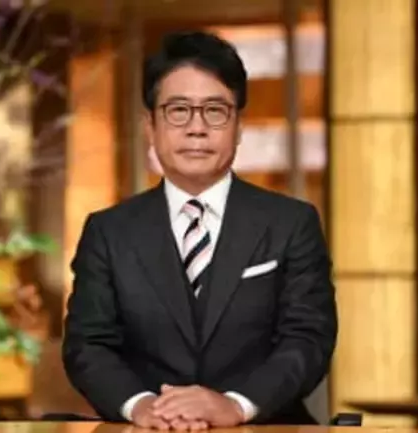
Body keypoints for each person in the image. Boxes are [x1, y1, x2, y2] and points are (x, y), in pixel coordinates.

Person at [62, 30, 337, 430]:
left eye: (215, 111)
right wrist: (142, 407)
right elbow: (88, 345)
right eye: (178, 110)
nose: (196, 128)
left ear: (238, 127)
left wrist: (236, 406)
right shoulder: (108, 232)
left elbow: (308, 339)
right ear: (150, 126)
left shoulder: (292, 224)